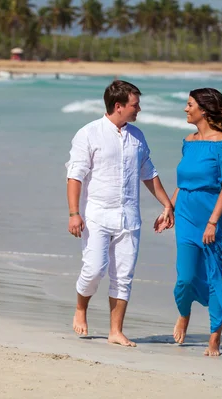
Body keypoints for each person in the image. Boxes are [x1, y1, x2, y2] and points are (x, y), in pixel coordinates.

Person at [66, 80, 175, 347]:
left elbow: (149, 174)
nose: (139, 110)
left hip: (129, 217)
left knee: (123, 275)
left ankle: (115, 331)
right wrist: (73, 213)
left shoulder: (137, 137)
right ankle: (81, 308)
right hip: (97, 215)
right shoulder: (88, 133)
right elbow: (75, 176)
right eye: (135, 105)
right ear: (119, 106)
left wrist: (167, 205)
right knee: (93, 269)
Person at [168, 88, 222, 356]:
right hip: (186, 215)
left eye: (189, 104)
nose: (185, 109)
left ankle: (215, 337)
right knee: (185, 277)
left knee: (217, 275)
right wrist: (169, 208)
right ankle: (184, 313)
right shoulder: (189, 141)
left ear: (204, 109)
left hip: (216, 218)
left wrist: (213, 222)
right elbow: (183, 181)